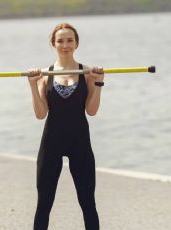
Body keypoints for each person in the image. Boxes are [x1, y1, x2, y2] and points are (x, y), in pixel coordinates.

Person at [27, 23, 104, 230]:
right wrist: (33, 85)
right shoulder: (45, 76)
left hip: (79, 142)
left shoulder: (87, 73)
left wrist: (99, 84)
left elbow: (92, 111)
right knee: (44, 204)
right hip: (52, 142)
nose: (65, 45)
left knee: (88, 203)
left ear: (76, 43)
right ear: (53, 44)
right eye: (60, 40)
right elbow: (40, 114)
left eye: (70, 40)